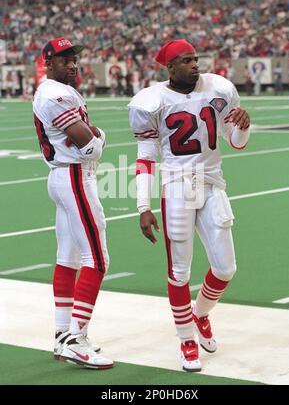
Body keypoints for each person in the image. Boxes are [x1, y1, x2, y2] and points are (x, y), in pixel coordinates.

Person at [128, 39, 250, 372]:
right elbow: (145, 157)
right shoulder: (150, 101)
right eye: (186, 60)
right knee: (179, 271)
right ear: (170, 67)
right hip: (178, 187)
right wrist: (143, 205)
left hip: (210, 184)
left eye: (195, 58)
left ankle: (201, 313)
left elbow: (235, 143)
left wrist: (242, 126)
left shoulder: (220, 88)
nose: (195, 65)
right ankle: (186, 339)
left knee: (226, 267)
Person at [32, 37, 113, 370]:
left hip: (63, 177)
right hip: (75, 177)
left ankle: (62, 333)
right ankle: (75, 340)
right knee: (98, 258)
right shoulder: (56, 95)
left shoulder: (55, 91)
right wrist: (100, 136)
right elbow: (91, 147)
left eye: (74, 58)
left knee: (67, 258)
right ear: (48, 64)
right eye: (64, 59)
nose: (72, 64)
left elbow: (85, 138)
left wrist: (92, 136)